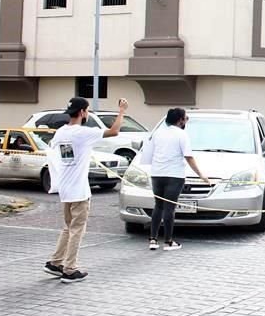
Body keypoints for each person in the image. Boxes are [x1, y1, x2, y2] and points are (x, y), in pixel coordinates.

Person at [43, 97, 128, 283]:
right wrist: (121, 111)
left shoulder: (60, 133)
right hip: (79, 189)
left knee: (68, 227)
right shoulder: (82, 132)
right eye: (87, 110)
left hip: (65, 187)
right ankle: (70, 268)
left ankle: (56, 261)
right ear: (82, 112)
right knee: (77, 230)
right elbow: (114, 131)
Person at [142, 108, 210, 251]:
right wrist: (201, 175)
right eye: (185, 118)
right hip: (174, 175)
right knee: (169, 208)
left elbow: (148, 153)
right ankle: (168, 241)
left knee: (158, 206)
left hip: (157, 174)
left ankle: (153, 239)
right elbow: (189, 156)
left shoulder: (157, 133)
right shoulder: (182, 134)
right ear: (180, 120)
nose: (186, 120)